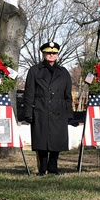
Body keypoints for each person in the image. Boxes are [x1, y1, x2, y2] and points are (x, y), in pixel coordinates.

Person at [22, 41, 73, 176]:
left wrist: (69, 114)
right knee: (41, 141)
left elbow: (68, 95)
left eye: (54, 53)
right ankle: (42, 168)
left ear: (57, 55)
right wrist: (28, 113)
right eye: (48, 53)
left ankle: (53, 167)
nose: (51, 55)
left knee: (57, 141)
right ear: (43, 54)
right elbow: (29, 93)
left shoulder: (64, 72)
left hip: (58, 111)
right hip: (40, 110)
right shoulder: (34, 70)